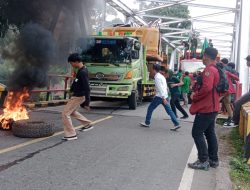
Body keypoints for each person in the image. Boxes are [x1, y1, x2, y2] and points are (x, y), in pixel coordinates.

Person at [188, 47, 220, 170]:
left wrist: (195, 96)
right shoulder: (216, 69)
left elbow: (206, 88)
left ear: (206, 56)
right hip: (213, 107)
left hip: (206, 108)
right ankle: (213, 159)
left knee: (196, 132)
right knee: (209, 133)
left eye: (202, 56)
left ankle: (203, 160)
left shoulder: (209, 70)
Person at [62, 53, 93, 141]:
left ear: (76, 61)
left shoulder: (82, 72)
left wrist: (87, 102)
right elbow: (77, 82)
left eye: (71, 63)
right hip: (78, 95)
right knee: (71, 112)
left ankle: (71, 134)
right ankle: (87, 124)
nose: (71, 65)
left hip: (78, 96)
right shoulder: (82, 69)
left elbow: (87, 88)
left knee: (65, 114)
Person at [140, 64, 181, 131]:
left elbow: (160, 88)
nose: (151, 70)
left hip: (160, 97)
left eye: (152, 69)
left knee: (150, 108)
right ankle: (176, 123)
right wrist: (165, 97)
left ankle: (147, 122)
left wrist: (163, 98)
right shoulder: (161, 76)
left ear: (154, 69)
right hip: (165, 96)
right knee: (169, 111)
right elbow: (165, 88)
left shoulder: (157, 77)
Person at [220, 58, 239, 127]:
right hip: (229, 90)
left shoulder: (220, 72)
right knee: (227, 104)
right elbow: (237, 78)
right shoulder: (227, 72)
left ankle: (211, 117)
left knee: (216, 102)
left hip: (223, 91)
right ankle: (230, 118)